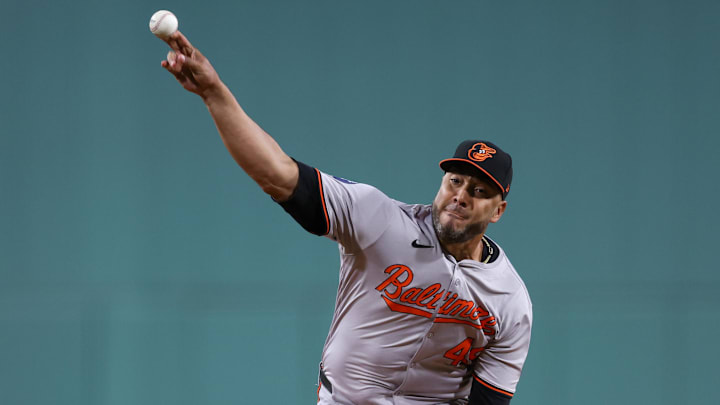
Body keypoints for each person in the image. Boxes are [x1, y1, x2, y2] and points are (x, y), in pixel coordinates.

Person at [159, 31, 532, 405]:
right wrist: (214, 93)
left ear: (498, 211)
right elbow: (278, 174)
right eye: (455, 181)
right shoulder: (381, 220)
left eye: (479, 191)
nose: (461, 196)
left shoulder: (510, 301)